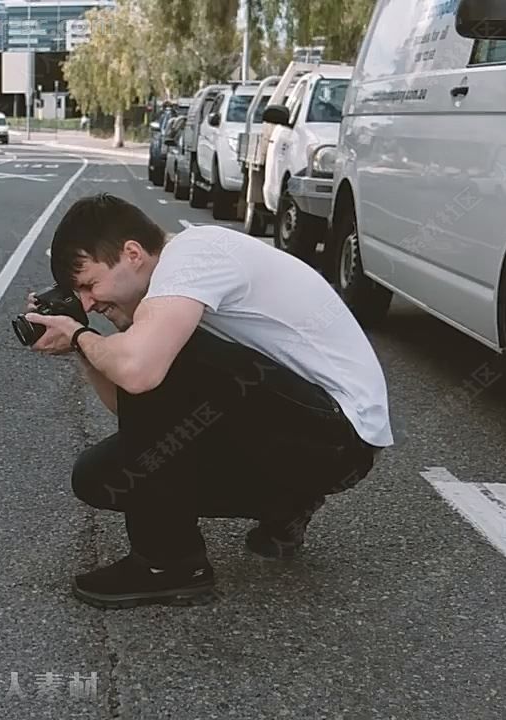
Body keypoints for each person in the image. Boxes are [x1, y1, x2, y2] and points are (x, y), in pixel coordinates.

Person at [22, 193, 393, 610]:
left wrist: (78, 333)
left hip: (340, 435)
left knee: (160, 354)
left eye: (90, 285)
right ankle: (284, 506)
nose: (89, 304)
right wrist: (84, 351)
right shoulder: (174, 285)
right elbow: (128, 405)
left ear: (132, 253)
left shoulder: (194, 257)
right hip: (307, 435)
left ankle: (170, 564)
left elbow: (141, 373)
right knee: (101, 475)